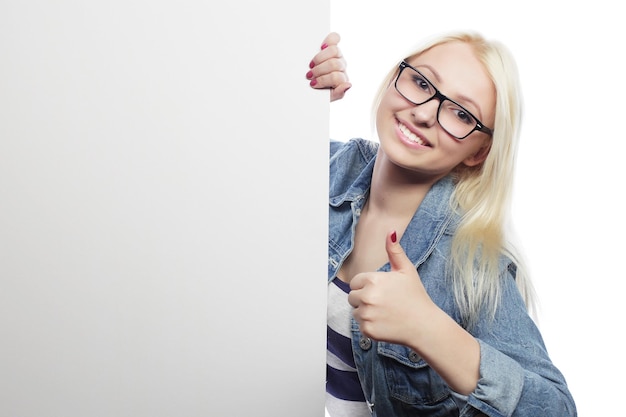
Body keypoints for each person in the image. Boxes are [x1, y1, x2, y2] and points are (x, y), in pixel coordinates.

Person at [306, 32, 577, 417]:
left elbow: (556, 410)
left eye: (461, 114)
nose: (424, 114)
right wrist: (293, 100)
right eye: (421, 82)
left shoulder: (474, 265)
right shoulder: (321, 168)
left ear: (479, 151)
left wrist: (430, 330)